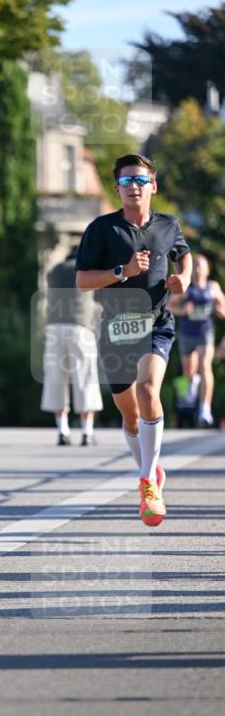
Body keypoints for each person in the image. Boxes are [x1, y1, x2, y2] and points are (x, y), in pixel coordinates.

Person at [76, 154, 192, 527]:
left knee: (147, 390)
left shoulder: (168, 225)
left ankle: (147, 479)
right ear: (117, 189)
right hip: (116, 329)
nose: (134, 187)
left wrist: (184, 279)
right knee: (129, 417)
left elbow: (184, 257)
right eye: (126, 182)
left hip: (156, 322)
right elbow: (82, 281)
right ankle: (150, 470)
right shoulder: (101, 229)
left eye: (140, 180)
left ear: (153, 186)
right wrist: (121, 272)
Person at [40, 244, 103, 446]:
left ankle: (63, 430)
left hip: (55, 328)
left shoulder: (54, 271)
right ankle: (87, 432)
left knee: (57, 379)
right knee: (85, 379)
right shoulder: (86, 271)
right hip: (80, 328)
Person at [168, 254, 225, 427]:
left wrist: (221, 310)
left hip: (205, 332)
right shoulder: (186, 288)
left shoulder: (212, 287)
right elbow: (169, 306)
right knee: (189, 373)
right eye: (196, 265)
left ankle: (204, 409)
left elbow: (223, 305)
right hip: (186, 333)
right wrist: (183, 311)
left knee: (205, 365)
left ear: (207, 270)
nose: (199, 267)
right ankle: (192, 383)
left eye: (202, 265)